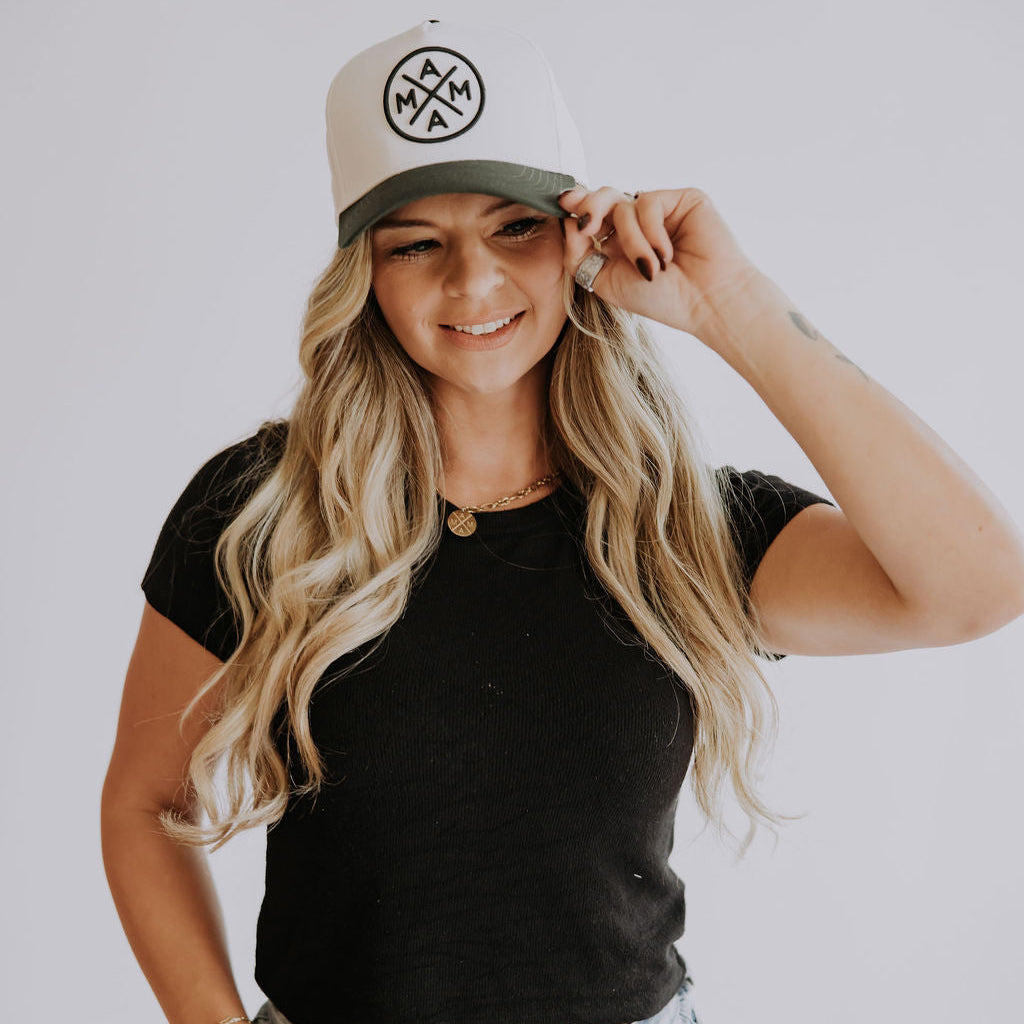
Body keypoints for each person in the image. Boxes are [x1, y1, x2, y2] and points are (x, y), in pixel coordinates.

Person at [100, 18, 1024, 1024]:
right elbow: (148, 801)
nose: (472, 282)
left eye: (515, 228)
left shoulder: (685, 528)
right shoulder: (265, 507)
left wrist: (733, 305)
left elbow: (978, 586)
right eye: (417, 243)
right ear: (364, 273)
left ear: (577, 235)